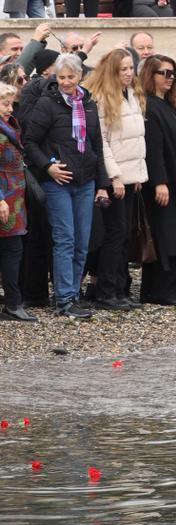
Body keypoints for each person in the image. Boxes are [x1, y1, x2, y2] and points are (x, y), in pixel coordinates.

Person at [24, 53, 110, 317]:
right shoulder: (46, 104)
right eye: (61, 77)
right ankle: (64, 298)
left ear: (80, 75)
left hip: (84, 180)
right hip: (57, 181)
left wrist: (102, 183)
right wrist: (48, 167)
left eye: (70, 77)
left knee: (82, 241)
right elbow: (30, 142)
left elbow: (96, 145)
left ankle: (72, 293)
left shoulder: (89, 103)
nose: (66, 82)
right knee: (65, 239)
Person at [84, 47, 147, 310]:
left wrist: (138, 174)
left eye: (131, 68)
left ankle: (121, 289)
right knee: (115, 233)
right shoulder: (102, 98)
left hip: (132, 175)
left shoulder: (132, 94)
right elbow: (104, 143)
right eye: (123, 69)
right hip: (115, 177)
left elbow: (136, 138)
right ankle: (106, 291)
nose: (129, 73)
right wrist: (115, 177)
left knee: (125, 234)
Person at [0, 81, 32, 320]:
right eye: (4, 103)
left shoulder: (11, 126)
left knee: (14, 250)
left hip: (15, 197)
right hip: (4, 198)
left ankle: (12, 302)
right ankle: (12, 303)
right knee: (12, 250)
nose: (9, 108)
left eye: (10, 103)